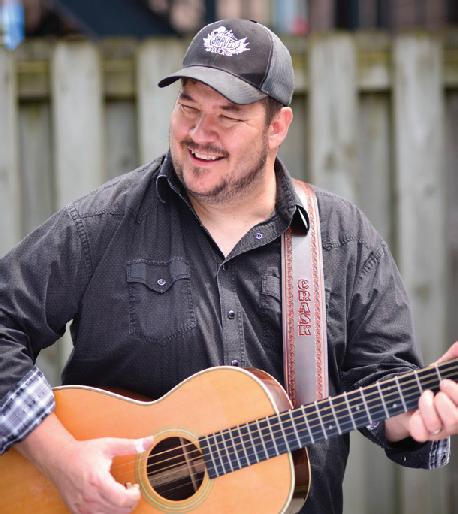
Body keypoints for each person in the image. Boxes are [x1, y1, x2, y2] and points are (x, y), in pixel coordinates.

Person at [0, 18, 456, 514]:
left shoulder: (342, 239)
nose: (199, 134)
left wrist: (410, 418)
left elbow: (382, 379)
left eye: (228, 116)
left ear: (277, 127)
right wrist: (61, 460)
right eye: (188, 107)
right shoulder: (101, 225)